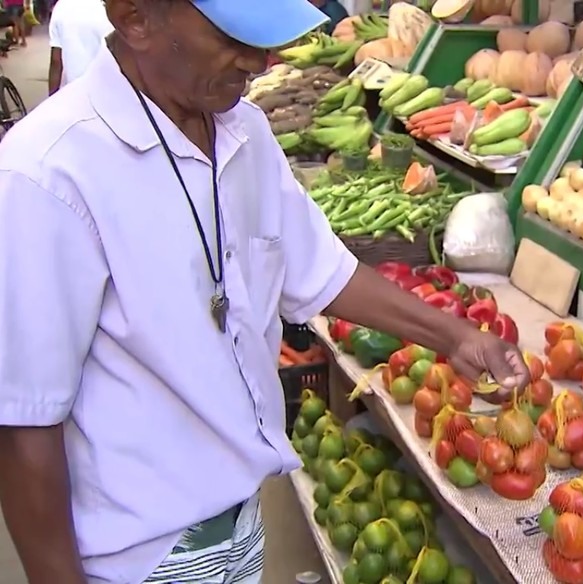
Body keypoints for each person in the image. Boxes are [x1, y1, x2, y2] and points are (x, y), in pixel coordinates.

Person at [0, 0, 529, 582]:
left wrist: (454, 336)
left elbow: (321, 271)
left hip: (243, 526)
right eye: (234, 35)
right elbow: (24, 422)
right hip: (140, 556)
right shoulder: (47, 173)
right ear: (136, 18)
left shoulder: (243, 130)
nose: (258, 60)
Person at [47, 0, 113, 94]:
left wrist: (52, 99)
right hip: (105, 89)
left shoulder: (60, 7)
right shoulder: (107, 8)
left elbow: (56, 61)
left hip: (71, 91)